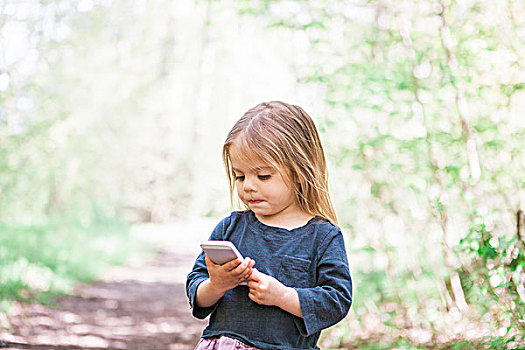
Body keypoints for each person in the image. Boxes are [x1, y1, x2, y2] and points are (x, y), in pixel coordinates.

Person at [186, 101, 352, 350]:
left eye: (263, 175)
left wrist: (284, 296)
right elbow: (196, 289)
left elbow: (336, 300)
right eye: (239, 176)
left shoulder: (323, 236)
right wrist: (216, 285)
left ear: (299, 172)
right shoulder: (230, 228)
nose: (248, 186)